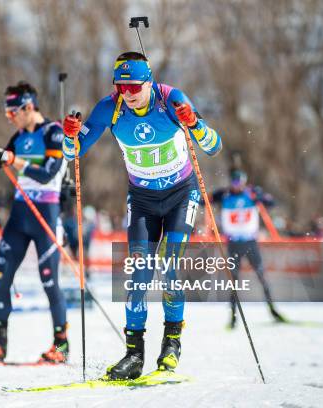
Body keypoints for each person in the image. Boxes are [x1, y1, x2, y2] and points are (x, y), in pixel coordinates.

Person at [62, 51, 222, 379]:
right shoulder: (111, 107)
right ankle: (134, 355)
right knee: (137, 277)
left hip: (181, 196)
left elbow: (214, 146)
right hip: (143, 201)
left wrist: (194, 123)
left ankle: (172, 344)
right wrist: (68, 135)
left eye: (135, 86)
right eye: (121, 88)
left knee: (170, 268)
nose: (129, 94)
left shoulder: (171, 100)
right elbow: (74, 152)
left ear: (149, 82)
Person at [0, 81, 69, 363]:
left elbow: (48, 173)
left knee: (49, 281)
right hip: (20, 216)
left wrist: (15, 161)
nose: (8, 116)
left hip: (45, 216)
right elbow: (2, 159)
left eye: (12, 111)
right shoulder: (19, 136)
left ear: (28, 107)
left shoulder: (53, 132)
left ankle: (61, 346)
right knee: (2, 277)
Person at [212, 169, 286, 328]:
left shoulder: (251, 193)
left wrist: (258, 196)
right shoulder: (224, 195)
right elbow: (204, 200)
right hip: (233, 244)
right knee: (233, 280)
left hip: (250, 242)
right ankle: (233, 316)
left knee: (261, 275)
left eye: (240, 183)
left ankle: (272, 309)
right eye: (235, 183)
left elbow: (271, 202)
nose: (237, 186)